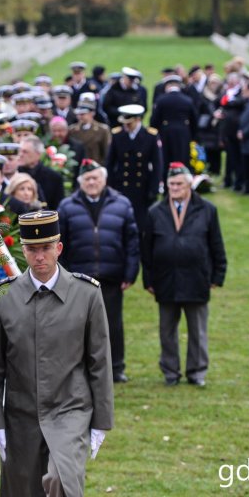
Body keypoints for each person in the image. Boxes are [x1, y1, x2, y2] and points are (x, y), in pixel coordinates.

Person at [0, 210, 114, 497]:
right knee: (22, 490)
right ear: (23, 250)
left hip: (71, 409)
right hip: (20, 413)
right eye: (32, 249)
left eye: (45, 248)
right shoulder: (3, 297)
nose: (39, 256)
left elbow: (100, 361)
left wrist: (102, 421)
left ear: (59, 248)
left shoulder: (87, 294)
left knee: (60, 480)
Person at [142, 163, 227, 387]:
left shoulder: (207, 210)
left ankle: (197, 372)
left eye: (179, 184)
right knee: (167, 330)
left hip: (197, 278)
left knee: (198, 330)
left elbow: (216, 244)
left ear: (190, 184)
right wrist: (148, 279)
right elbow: (147, 250)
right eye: (171, 184)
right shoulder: (155, 212)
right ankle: (170, 371)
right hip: (165, 279)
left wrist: (218, 275)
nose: (175, 188)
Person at [57, 160, 139, 383]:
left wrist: (130, 273)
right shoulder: (66, 206)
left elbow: (131, 242)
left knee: (113, 325)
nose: (92, 182)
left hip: (111, 276)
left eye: (96, 178)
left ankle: (116, 367)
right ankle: (81, 367)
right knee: (79, 326)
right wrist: (64, 274)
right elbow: (59, 244)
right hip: (80, 277)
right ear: (80, 182)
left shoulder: (122, 204)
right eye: (87, 179)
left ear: (104, 180)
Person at [105, 104, 161, 232]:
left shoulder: (150, 136)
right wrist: (110, 186)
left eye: (129, 123)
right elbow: (110, 163)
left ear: (138, 120)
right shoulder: (118, 135)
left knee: (142, 224)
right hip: (121, 186)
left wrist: (154, 188)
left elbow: (157, 165)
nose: (126, 126)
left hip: (142, 187)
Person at [150, 75, 196, 183]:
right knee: (183, 158)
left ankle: (167, 184)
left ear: (167, 86)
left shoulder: (161, 100)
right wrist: (192, 135)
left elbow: (154, 120)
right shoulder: (187, 100)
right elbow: (194, 120)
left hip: (166, 133)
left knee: (167, 159)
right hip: (183, 134)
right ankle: (184, 181)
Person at [17, 136, 64, 209]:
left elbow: (58, 208)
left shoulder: (54, 178)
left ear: (38, 154)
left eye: (25, 152)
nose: (20, 154)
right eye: (20, 151)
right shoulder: (15, 174)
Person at [68, 94, 110, 164]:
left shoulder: (102, 130)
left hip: (95, 167)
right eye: (79, 114)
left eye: (83, 114)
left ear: (92, 113)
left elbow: (106, 153)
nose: (80, 116)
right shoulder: (72, 130)